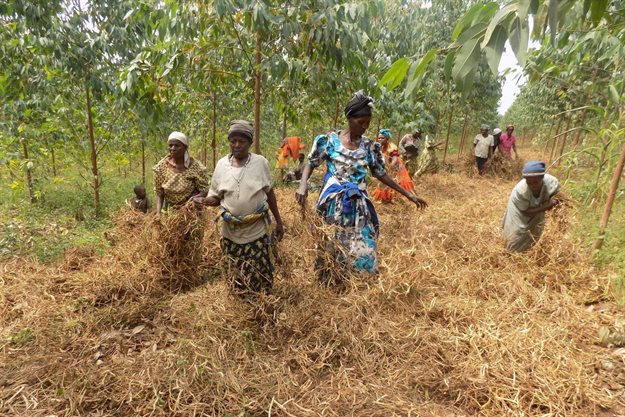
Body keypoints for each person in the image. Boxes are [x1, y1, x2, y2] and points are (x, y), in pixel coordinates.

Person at [295, 91, 427, 281]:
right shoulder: (328, 141)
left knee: (364, 244)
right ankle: (331, 278)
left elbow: (380, 173)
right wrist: (302, 184)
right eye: (361, 122)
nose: (365, 127)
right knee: (332, 242)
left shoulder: (369, 147)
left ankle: (360, 280)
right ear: (349, 118)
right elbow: (311, 163)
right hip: (334, 205)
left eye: (368, 123)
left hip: (358, 205)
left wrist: (409, 194)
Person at [194, 120, 284, 295]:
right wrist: (204, 201)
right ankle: (239, 301)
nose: (236, 145)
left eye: (241, 141)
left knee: (259, 274)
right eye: (233, 141)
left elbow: (270, 193)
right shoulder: (221, 165)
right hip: (231, 233)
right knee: (235, 274)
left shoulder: (260, 163)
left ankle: (260, 303)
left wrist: (278, 222)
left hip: (256, 232)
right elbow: (216, 197)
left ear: (250, 143)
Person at [502, 161, 560, 252]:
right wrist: (547, 206)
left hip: (538, 208)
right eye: (529, 183)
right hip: (519, 210)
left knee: (534, 232)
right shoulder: (521, 191)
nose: (533, 186)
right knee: (515, 234)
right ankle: (511, 254)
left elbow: (556, 196)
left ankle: (527, 252)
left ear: (542, 178)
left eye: (536, 182)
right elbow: (525, 211)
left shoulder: (552, 183)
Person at [153, 131, 209, 219]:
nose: (173, 148)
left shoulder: (196, 167)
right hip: (169, 213)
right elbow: (159, 193)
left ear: (185, 147)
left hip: (190, 212)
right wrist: (158, 213)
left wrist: (193, 199)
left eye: (177, 145)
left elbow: (204, 191)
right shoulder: (161, 167)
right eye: (170, 145)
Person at [371, 128, 415, 202]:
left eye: (382, 138)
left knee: (398, 183)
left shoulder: (392, 146)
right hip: (387, 166)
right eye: (379, 138)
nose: (380, 139)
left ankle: (403, 198)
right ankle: (385, 198)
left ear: (387, 138)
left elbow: (395, 159)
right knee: (385, 182)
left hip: (396, 167)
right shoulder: (379, 147)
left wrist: (390, 167)